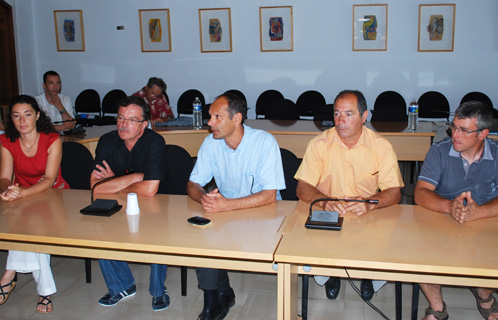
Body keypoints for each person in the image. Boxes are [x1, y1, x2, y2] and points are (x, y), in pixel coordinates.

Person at [295, 89, 404, 301]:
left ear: (364, 117)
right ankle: (332, 275)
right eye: (336, 114)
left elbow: (394, 192)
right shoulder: (319, 144)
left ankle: (366, 276)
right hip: (329, 212)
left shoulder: (381, 146)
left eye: (348, 114)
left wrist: (370, 203)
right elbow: (303, 187)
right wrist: (325, 202)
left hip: (367, 212)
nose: (340, 121)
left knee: (380, 242)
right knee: (315, 243)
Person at [187, 92, 285, 320]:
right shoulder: (211, 143)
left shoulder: (264, 142)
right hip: (226, 213)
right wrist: (204, 197)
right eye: (210, 116)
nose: (209, 122)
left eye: (217, 117)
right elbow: (193, 183)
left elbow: (270, 196)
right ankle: (213, 301)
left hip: (263, 216)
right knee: (202, 235)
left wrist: (227, 206)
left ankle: (224, 290)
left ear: (237, 119)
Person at [414, 101, 498, 320]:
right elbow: (421, 192)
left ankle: (484, 293)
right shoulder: (439, 151)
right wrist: (449, 207)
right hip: (444, 222)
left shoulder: (497, 155)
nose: (455, 135)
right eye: (454, 127)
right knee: (418, 255)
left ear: (483, 133)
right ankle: (437, 307)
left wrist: (480, 212)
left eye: (463, 130)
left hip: (486, 223)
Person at [90, 95, 169, 311]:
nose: (124, 124)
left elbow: (151, 190)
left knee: (157, 231)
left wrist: (113, 181)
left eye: (132, 120)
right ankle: (121, 285)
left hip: (156, 205)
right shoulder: (107, 140)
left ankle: (158, 290)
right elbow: (96, 188)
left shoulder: (154, 142)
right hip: (119, 201)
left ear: (144, 124)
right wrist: (135, 177)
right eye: (120, 118)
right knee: (99, 226)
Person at [0, 95, 70, 313]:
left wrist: (22, 194)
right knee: (28, 228)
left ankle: (8, 276)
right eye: (16, 116)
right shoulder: (6, 141)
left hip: (54, 194)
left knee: (34, 227)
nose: (22, 121)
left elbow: (49, 179)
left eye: (27, 114)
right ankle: (44, 292)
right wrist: (7, 190)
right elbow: (4, 176)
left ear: (37, 115)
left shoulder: (52, 139)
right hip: (23, 194)